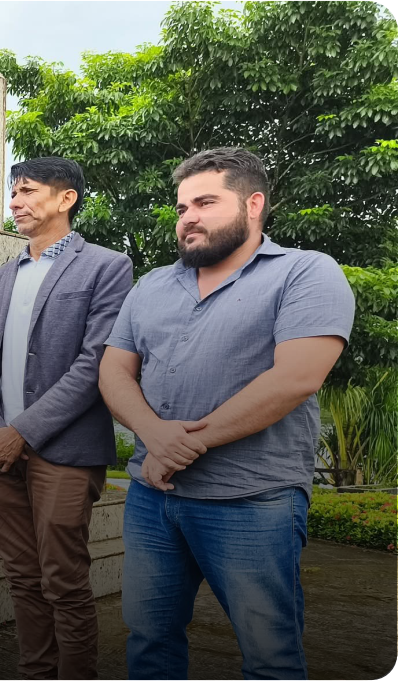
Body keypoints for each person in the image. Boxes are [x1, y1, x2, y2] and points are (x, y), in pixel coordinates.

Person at [99, 147, 354, 680]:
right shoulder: (151, 286)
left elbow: (296, 378)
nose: (187, 216)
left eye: (205, 202)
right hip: (152, 499)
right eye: (181, 206)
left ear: (253, 203)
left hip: (252, 500)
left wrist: (183, 444)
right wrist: (152, 435)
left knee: (269, 656)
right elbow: (112, 372)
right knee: (149, 640)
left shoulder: (305, 272)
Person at [0, 157, 133, 680]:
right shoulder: (1, 277)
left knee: (64, 579)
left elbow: (95, 363)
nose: (13, 202)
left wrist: (22, 432)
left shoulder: (107, 266)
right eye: (12, 193)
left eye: (27, 191)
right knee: (21, 576)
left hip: (63, 450)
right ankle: (35, 673)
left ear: (66, 199)